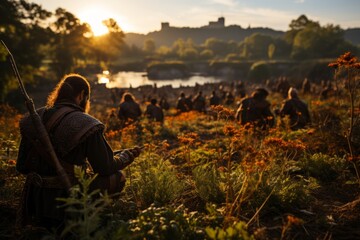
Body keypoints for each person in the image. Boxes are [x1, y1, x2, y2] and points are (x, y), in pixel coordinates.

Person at [16, 74, 142, 232]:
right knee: (118, 177)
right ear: (82, 95)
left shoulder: (32, 119)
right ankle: (89, 217)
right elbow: (105, 167)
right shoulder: (86, 124)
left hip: (34, 200)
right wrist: (126, 156)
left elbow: (21, 166)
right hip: (67, 196)